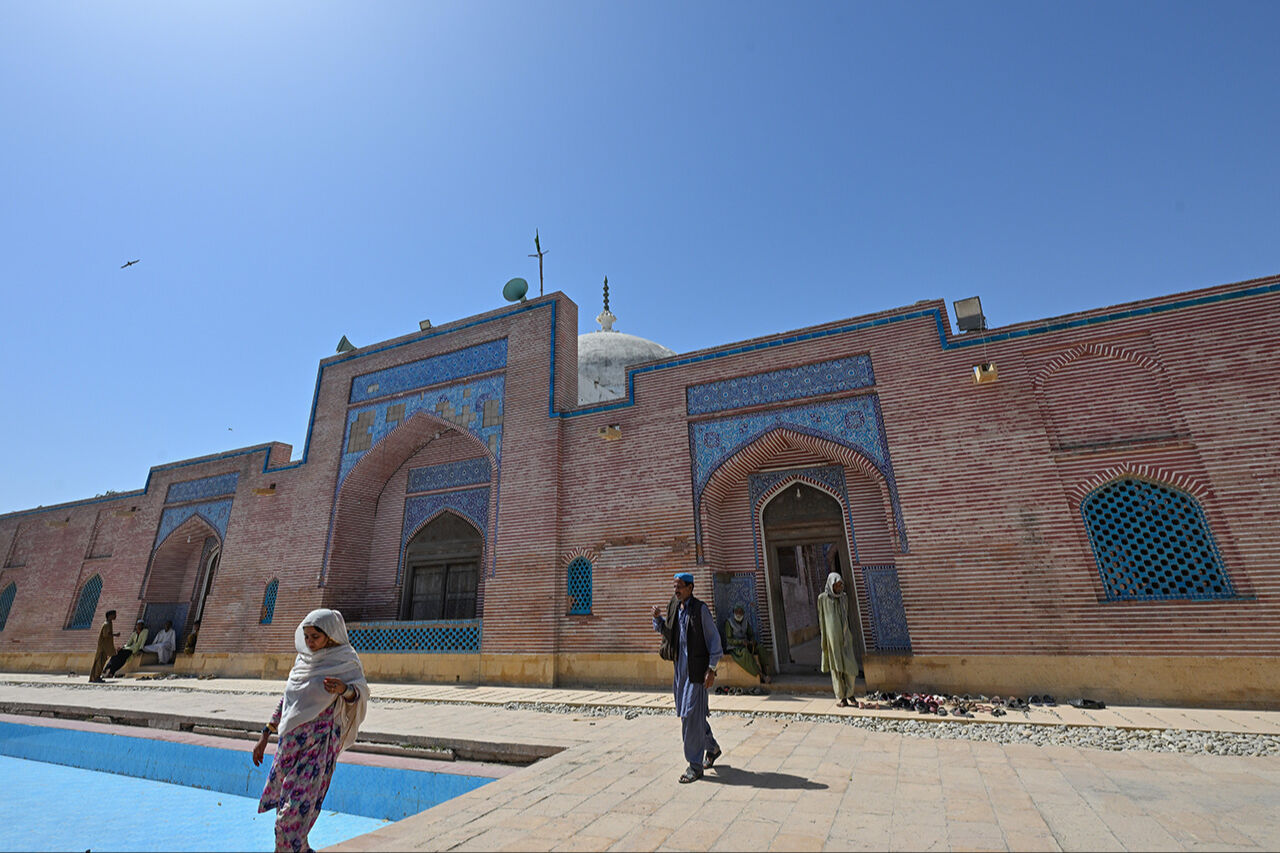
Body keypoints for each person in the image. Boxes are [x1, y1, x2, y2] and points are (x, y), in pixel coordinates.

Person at [253, 609, 369, 853]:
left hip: (317, 751)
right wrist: (265, 734)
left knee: (289, 821)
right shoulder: (303, 662)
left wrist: (344, 689)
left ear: (330, 635)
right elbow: (288, 700)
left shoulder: (344, 660)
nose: (309, 642)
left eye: (315, 636)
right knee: (285, 817)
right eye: (306, 637)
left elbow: (359, 694)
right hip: (290, 749)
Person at [651, 572, 723, 783]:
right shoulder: (675, 607)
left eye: (680, 586)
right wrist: (657, 619)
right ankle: (712, 748)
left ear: (690, 588)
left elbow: (714, 640)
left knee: (691, 715)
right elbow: (669, 633)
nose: (676, 590)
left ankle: (694, 765)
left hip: (697, 672)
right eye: (675, 586)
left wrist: (711, 669)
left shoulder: (700, 610)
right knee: (689, 714)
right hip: (680, 671)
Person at [817, 572, 860, 707]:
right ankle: (842, 697)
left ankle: (850, 694)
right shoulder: (822, 599)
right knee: (837, 669)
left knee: (850, 667)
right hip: (832, 639)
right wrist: (824, 639)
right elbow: (822, 621)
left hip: (845, 638)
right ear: (831, 584)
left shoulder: (844, 598)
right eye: (836, 585)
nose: (839, 587)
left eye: (840, 585)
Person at [724, 604, 771, 684]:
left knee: (760, 648)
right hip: (735, 648)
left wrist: (752, 641)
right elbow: (729, 640)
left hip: (746, 645)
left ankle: (766, 672)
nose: (739, 614)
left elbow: (751, 635)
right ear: (734, 612)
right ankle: (761, 675)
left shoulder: (746, 622)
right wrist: (741, 642)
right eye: (737, 612)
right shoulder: (729, 623)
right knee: (745, 654)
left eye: (740, 612)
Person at [89, 610, 118, 683]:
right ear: (110, 616)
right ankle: (96, 677)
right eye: (114, 615)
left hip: (105, 647)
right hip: (103, 647)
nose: (115, 616)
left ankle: (96, 677)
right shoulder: (107, 624)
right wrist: (115, 635)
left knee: (101, 662)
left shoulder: (109, 623)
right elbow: (106, 635)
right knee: (100, 662)